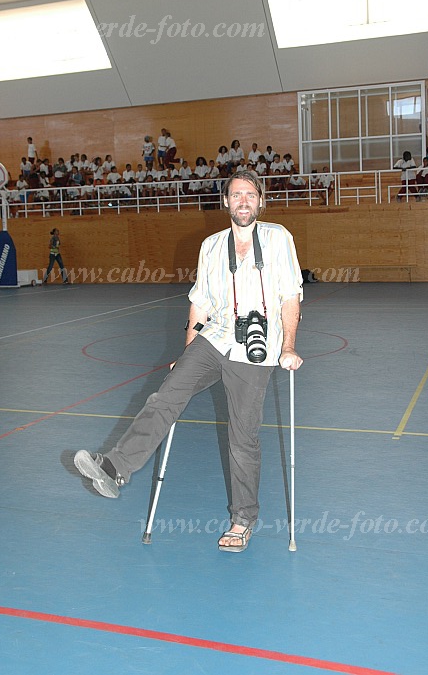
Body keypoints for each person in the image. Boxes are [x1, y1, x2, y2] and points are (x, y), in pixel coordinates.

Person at [74, 170, 303, 552]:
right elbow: (199, 302)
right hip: (215, 338)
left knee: (242, 437)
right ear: (226, 202)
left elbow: (290, 297)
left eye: (250, 194)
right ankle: (114, 468)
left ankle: (243, 520)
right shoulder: (212, 246)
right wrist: (186, 353)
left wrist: (289, 347)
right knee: (165, 398)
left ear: (260, 201)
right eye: (236, 195)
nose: (243, 200)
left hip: (256, 349)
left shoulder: (278, 238)